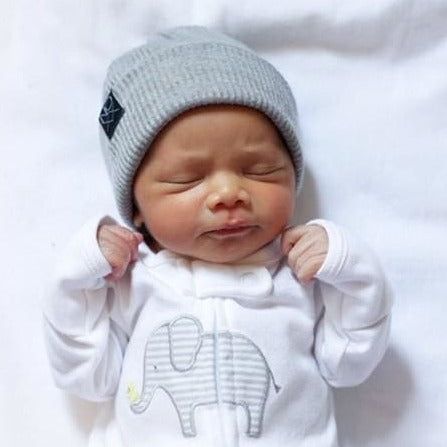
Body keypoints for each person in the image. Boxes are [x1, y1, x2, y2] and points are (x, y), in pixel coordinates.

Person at [43, 25, 393, 447]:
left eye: (259, 170)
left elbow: (349, 365)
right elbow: (86, 377)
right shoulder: (133, 283)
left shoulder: (299, 277)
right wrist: (76, 278)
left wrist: (353, 273)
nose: (229, 194)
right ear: (136, 208)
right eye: (186, 179)